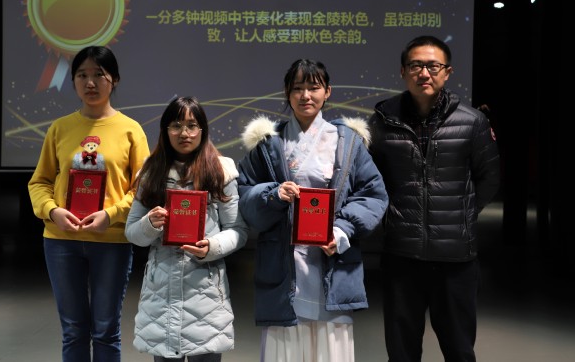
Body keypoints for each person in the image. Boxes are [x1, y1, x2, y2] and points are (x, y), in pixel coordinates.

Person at [236, 59, 389, 362]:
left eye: (313, 87)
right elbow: (245, 195)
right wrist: (272, 195)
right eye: (298, 88)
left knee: (330, 351)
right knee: (284, 351)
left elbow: (373, 194)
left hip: (330, 259)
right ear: (287, 93)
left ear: (327, 91)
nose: (305, 95)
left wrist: (341, 230)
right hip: (284, 264)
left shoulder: (348, 141)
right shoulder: (269, 144)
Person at [368, 35, 501, 362]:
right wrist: (389, 218)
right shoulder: (382, 121)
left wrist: (463, 216)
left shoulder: (472, 121)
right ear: (403, 71)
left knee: (459, 350)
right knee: (401, 352)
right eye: (415, 65)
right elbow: (371, 180)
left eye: (433, 66)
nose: (424, 73)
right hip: (401, 254)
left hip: (455, 258)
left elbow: (489, 177)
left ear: (447, 72)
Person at [28, 45, 151, 362]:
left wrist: (111, 215)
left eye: (99, 74)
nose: (90, 82)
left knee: (106, 330)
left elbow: (143, 190)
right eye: (82, 75)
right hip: (61, 241)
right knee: (73, 331)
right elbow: (39, 182)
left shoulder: (131, 130)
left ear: (115, 80)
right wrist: (52, 211)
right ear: (73, 81)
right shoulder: (60, 128)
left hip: (111, 241)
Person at [125, 96, 249, 362]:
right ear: (165, 130)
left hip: (206, 295)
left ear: (202, 130)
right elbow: (132, 233)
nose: (184, 133)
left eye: (192, 126)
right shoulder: (151, 172)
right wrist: (149, 224)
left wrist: (211, 247)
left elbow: (237, 230)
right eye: (176, 125)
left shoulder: (221, 170)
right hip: (160, 294)